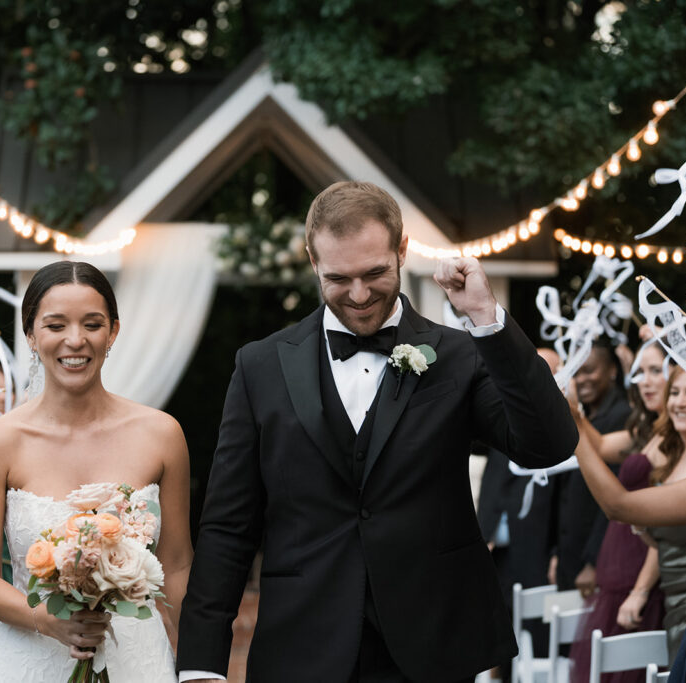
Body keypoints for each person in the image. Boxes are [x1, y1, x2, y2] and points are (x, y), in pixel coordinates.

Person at [176, 181, 578, 682]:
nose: (360, 295)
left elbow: (549, 445)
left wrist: (485, 317)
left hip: (434, 646)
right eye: (338, 278)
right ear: (312, 260)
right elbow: (228, 526)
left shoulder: (460, 355)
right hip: (301, 646)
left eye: (375, 273)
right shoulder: (260, 366)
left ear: (402, 250)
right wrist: (201, 665)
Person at [0, 261, 192, 682]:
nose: (75, 340)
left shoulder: (162, 434)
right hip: (30, 656)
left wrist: (194, 662)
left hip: (138, 660)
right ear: (31, 335)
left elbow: (176, 566)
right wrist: (46, 619)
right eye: (55, 325)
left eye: (92, 324)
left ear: (113, 332)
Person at [570, 357, 686, 679]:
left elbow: (618, 506)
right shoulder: (672, 449)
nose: (679, 402)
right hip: (673, 597)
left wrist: (576, 429)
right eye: (675, 392)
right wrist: (643, 526)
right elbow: (660, 536)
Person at [477, 348, 560, 680]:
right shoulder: (503, 411)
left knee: (535, 636)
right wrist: (483, 532)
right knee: (493, 630)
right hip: (495, 547)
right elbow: (492, 482)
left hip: (535, 548)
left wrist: (556, 551)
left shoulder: (558, 425)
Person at [555, 343, 632, 595]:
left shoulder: (622, 416)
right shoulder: (583, 414)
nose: (581, 380)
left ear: (612, 371)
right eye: (575, 373)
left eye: (589, 371)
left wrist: (593, 561)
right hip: (570, 550)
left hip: (597, 556)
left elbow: (617, 489)